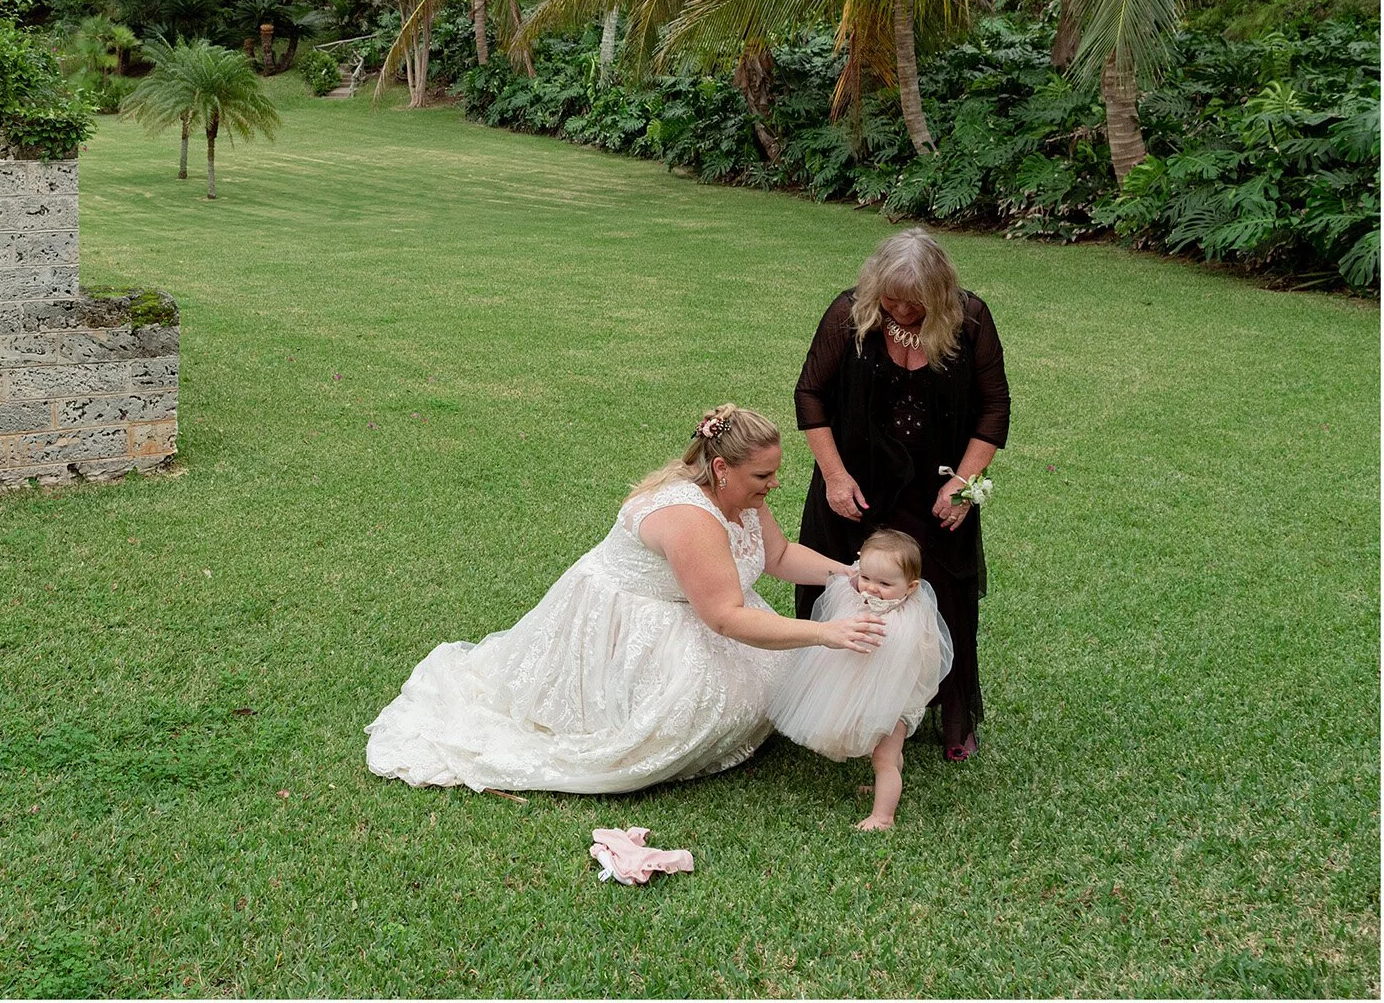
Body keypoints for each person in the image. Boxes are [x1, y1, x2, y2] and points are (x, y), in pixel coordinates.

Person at [365, 405, 883, 796]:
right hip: (633, 616)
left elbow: (780, 556)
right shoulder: (690, 518)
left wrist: (849, 574)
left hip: (702, 608)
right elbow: (725, 618)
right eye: (763, 476)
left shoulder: (742, 499)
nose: (774, 485)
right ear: (722, 468)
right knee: (675, 724)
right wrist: (824, 634)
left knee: (759, 690)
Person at [794, 227, 1008, 760]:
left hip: (936, 485)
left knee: (944, 591)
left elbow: (994, 407)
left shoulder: (971, 319)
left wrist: (963, 484)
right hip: (854, 480)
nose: (902, 312)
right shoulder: (850, 314)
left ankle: (949, 712)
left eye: (915, 303)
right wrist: (835, 477)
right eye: (892, 301)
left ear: (939, 293)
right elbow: (810, 395)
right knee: (837, 585)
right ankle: (826, 710)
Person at [770, 528, 953, 830]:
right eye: (867, 578)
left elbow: (911, 657)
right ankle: (887, 787)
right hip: (871, 693)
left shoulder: (907, 617)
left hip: (895, 701)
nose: (871, 589)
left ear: (910, 587)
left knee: (884, 757)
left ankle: (883, 817)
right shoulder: (862, 594)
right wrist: (855, 580)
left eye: (884, 583)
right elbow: (846, 587)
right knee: (886, 757)